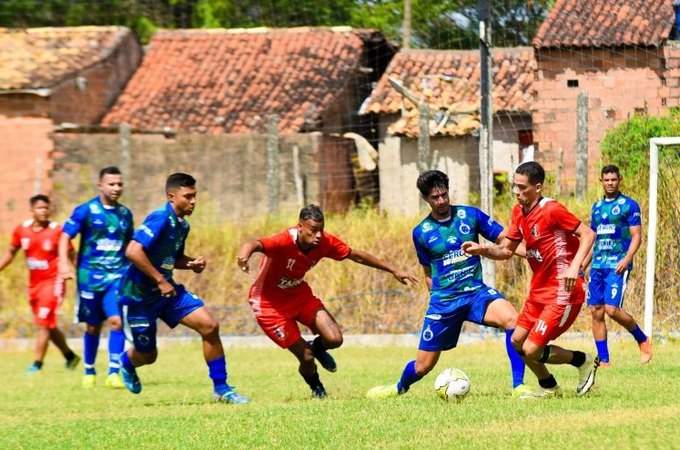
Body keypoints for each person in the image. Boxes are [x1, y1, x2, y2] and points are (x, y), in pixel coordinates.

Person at [366, 170, 529, 399]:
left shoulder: (470, 215)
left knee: (512, 319)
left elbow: (507, 242)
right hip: (444, 302)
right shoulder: (421, 232)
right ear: (425, 198)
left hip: (475, 294)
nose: (441, 201)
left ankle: (518, 386)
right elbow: (428, 272)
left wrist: (532, 253)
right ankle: (398, 387)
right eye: (435, 197)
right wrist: (437, 300)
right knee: (423, 367)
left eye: (444, 195)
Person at [237, 204, 418, 399]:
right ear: (300, 227)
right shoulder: (283, 241)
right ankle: (318, 389)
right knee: (306, 358)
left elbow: (356, 255)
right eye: (313, 231)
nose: (318, 236)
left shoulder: (324, 242)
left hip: (298, 294)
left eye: (321, 230)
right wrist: (244, 256)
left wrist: (393, 269)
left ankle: (316, 347)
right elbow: (254, 243)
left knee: (334, 339)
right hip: (268, 305)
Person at [462, 161, 599, 399]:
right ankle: (548, 386)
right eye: (515, 186)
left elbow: (588, 234)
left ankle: (583, 360)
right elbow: (507, 251)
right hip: (539, 291)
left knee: (531, 349)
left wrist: (574, 267)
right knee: (517, 341)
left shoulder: (552, 210)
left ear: (538, 187)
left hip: (563, 291)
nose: (516, 192)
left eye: (522, 187)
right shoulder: (518, 212)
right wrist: (481, 249)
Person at [117, 173, 248, 404]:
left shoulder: (182, 225)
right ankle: (126, 363)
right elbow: (133, 251)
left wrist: (190, 263)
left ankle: (222, 388)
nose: (194, 201)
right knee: (148, 356)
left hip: (168, 293)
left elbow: (171, 258)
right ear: (171, 196)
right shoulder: (159, 218)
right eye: (188, 196)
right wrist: (160, 280)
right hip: (139, 297)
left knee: (210, 326)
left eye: (195, 196)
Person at [59, 166, 133, 389]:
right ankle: (89, 370)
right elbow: (64, 236)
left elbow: (130, 245)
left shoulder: (125, 214)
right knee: (92, 326)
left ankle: (114, 372)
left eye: (119, 184)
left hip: (116, 277)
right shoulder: (86, 210)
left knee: (117, 322)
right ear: (100, 185)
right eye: (111, 184)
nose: (116, 188)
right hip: (89, 277)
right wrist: (64, 263)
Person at [0, 195, 81, 373]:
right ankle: (70, 356)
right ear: (32, 211)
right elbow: (11, 252)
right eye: (40, 208)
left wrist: (79, 274)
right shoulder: (22, 230)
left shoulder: (57, 231)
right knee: (47, 324)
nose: (44, 211)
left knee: (42, 323)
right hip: (34, 285)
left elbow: (72, 255)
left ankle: (37, 364)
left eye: (47, 208)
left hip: (53, 283)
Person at [585, 165, 652, 366]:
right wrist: (583, 264)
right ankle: (604, 360)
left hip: (617, 264)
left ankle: (642, 339)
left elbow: (637, 237)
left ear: (619, 180)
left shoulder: (629, 205)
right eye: (607, 180)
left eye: (614, 179)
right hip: (597, 265)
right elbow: (592, 238)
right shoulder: (596, 207)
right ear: (601, 181)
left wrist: (626, 259)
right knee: (596, 311)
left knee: (611, 309)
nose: (610, 183)